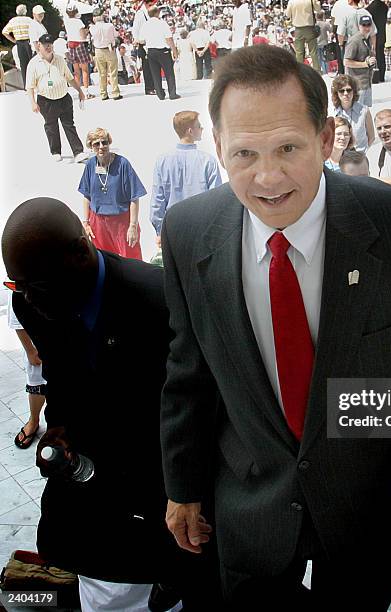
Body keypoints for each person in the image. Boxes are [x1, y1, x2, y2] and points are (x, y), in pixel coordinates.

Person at [159, 44, 391, 609]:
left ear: (328, 138)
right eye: (244, 153)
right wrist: (181, 487)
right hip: (250, 507)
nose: (267, 176)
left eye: (288, 147)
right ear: (217, 148)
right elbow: (190, 371)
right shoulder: (188, 232)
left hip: (365, 510)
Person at [1, 198, 222, 612]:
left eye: (38, 285)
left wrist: (185, 486)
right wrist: (59, 427)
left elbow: (202, 402)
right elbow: (59, 373)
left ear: (80, 253)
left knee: (196, 560)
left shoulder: (159, 299)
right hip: (93, 460)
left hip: (161, 461)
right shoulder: (31, 302)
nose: (27, 299)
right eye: (17, 285)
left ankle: (175, 580)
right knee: (59, 540)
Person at [150, 111, 222, 244]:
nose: (202, 128)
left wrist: (159, 231)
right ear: (190, 131)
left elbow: (157, 200)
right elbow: (216, 201)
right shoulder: (208, 161)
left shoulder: (163, 161)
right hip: (202, 230)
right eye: (199, 126)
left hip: (173, 230)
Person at [79, 127, 145, 259]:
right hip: (98, 221)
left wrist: (132, 226)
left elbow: (134, 197)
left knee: (131, 259)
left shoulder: (123, 164)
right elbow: (86, 196)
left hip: (121, 221)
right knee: (104, 259)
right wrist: (85, 223)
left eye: (104, 142)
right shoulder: (91, 165)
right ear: (91, 147)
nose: (101, 147)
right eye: (96, 144)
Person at [26, 34, 88, 164]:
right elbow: (30, 86)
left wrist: (80, 91)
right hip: (46, 100)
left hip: (63, 97)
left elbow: (70, 78)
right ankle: (55, 151)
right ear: (39, 46)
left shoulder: (60, 59)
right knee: (51, 126)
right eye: (45, 45)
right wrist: (33, 103)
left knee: (69, 125)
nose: (48, 47)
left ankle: (78, 152)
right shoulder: (33, 63)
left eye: (50, 44)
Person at [7, 295, 46, 450]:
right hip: (38, 348)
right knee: (37, 385)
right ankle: (33, 420)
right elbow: (17, 319)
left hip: (64, 342)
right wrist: (30, 351)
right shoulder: (23, 280)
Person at [140, 5, 180, 100]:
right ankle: (172, 93)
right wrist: (174, 50)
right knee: (169, 72)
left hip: (151, 51)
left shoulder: (145, 25)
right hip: (163, 51)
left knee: (155, 73)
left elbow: (141, 40)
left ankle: (160, 94)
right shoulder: (162, 24)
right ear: (157, 13)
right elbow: (169, 38)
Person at [331, 74, 375, 152]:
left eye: (348, 90)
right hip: (340, 158)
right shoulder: (333, 113)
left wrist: (363, 153)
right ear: (336, 93)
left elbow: (371, 137)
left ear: (354, 91)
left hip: (360, 157)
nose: (345, 93)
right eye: (341, 91)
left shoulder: (364, 111)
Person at [89, 8, 122, 101]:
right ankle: (115, 92)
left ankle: (103, 94)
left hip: (98, 50)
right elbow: (116, 35)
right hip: (110, 49)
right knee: (113, 73)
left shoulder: (92, 28)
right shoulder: (109, 26)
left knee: (101, 73)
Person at [344, 15, 376, 107]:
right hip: (357, 85)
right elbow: (346, 62)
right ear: (359, 26)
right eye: (364, 25)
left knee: (366, 113)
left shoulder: (367, 39)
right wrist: (365, 64)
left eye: (368, 25)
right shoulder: (354, 41)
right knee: (357, 113)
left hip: (367, 83)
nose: (366, 27)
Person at [63, 4, 93, 100]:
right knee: (85, 70)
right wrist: (87, 30)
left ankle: (78, 92)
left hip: (70, 45)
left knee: (76, 72)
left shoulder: (66, 21)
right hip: (79, 45)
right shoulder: (78, 22)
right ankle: (86, 92)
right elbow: (82, 36)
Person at [2, 4, 33, 85]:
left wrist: (14, 40)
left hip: (19, 43)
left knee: (23, 65)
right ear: (25, 11)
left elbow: (4, 32)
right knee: (32, 63)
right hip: (29, 42)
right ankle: (34, 84)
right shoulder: (29, 20)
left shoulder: (13, 21)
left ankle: (27, 86)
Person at [286, 0, 322, 72]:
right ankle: (317, 71)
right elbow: (318, 10)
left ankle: (300, 71)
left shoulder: (292, 1)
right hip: (309, 28)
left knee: (299, 52)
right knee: (313, 52)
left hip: (298, 29)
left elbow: (288, 15)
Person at [132, 0, 157, 95]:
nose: (152, 6)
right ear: (145, 4)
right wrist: (137, 41)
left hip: (152, 42)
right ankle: (149, 87)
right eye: (150, 4)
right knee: (147, 67)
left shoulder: (152, 13)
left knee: (154, 66)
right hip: (144, 43)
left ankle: (155, 85)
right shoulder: (140, 14)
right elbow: (135, 29)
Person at [366, 0, 388, 82]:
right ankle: (382, 76)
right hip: (382, 34)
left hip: (372, 35)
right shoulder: (384, 7)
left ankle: (374, 76)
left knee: (373, 55)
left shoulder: (369, 8)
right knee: (381, 55)